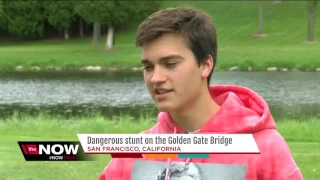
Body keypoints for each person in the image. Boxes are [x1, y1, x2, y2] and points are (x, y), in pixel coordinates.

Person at [98, 6, 303, 180]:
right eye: (148, 67)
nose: (155, 78)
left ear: (205, 65)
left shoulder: (264, 147)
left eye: (170, 64)